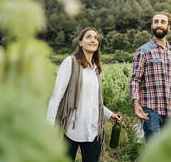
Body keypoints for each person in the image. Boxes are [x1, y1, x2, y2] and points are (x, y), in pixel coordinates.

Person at [46, 27, 121, 162]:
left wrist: (110, 115)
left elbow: (94, 101)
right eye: (88, 37)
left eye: (96, 38)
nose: (93, 40)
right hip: (70, 128)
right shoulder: (70, 62)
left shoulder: (96, 69)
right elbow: (56, 97)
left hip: (92, 130)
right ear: (80, 42)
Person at [129, 11, 171, 141]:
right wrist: (136, 104)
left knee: (166, 149)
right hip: (150, 110)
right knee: (155, 148)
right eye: (156, 22)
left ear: (168, 27)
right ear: (152, 26)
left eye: (163, 22)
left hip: (168, 111)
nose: (159, 25)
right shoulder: (144, 51)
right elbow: (135, 80)